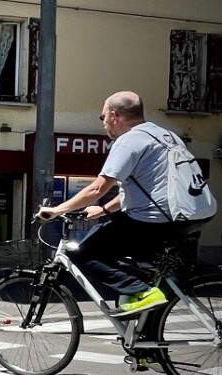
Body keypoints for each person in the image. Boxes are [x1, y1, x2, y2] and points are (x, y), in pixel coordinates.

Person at [37, 91, 202, 315]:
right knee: (147, 272)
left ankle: (141, 292)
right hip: (187, 217)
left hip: (154, 220)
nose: (103, 123)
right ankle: (147, 341)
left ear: (114, 116)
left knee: (83, 253)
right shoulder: (165, 136)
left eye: (102, 117)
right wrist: (105, 209)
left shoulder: (129, 141)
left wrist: (57, 210)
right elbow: (143, 189)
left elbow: (97, 188)